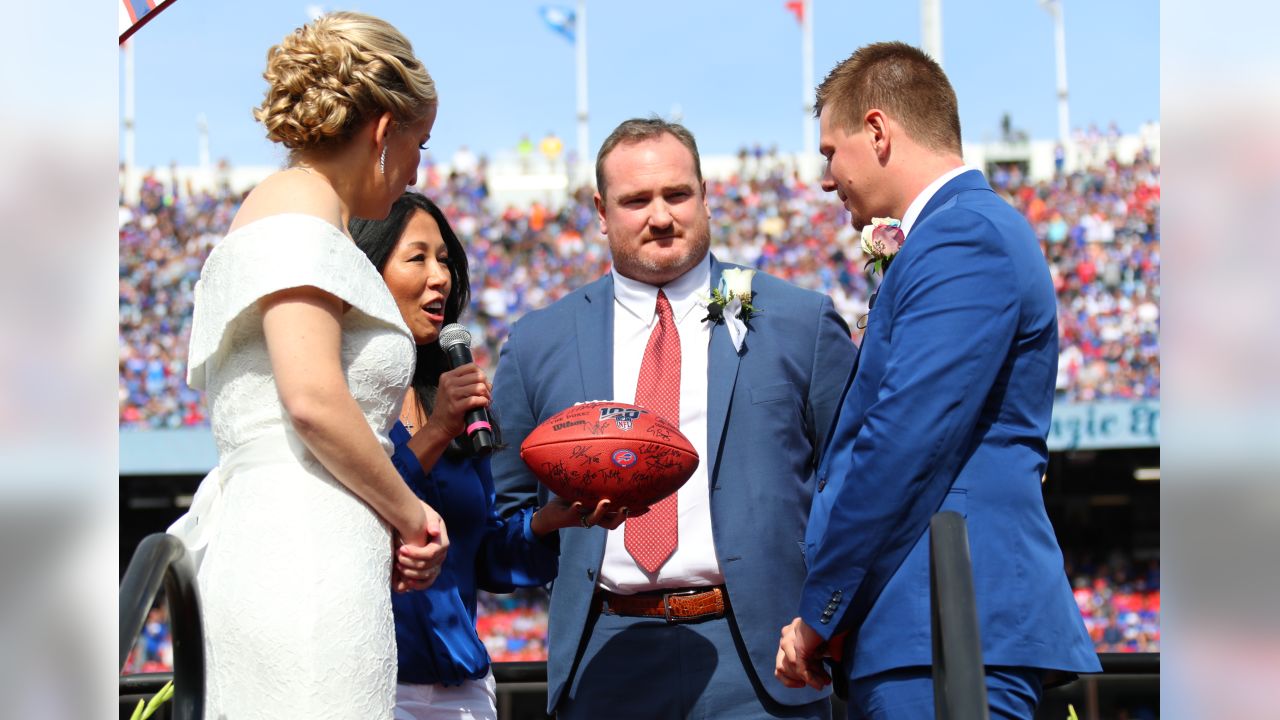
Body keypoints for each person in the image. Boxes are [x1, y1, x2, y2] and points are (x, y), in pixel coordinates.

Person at [775, 42, 1101, 719]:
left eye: (830, 153)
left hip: (946, 621)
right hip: (923, 623)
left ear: (877, 132)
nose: (827, 180)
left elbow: (902, 441)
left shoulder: (962, 238)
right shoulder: (954, 236)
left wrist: (820, 610)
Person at [491, 117, 856, 719]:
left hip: (761, 661)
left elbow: (850, 490)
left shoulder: (799, 322)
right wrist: (551, 523)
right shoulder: (537, 344)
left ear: (706, 196)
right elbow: (504, 524)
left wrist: (824, 622)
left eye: (677, 195)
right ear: (601, 212)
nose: (660, 216)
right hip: (604, 657)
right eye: (636, 200)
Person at [177, 12, 448, 718]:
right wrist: (411, 512)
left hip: (299, 545)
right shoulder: (299, 208)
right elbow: (312, 398)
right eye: (420, 144)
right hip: (302, 557)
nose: (420, 169)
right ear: (384, 130)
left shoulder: (294, 210)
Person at [350, 192, 613, 720]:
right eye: (418, 257)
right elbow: (353, 522)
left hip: (465, 691)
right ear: (367, 269)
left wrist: (546, 523)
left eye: (445, 260)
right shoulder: (340, 397)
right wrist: (434, 434)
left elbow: (486, 555)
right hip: (369, 686)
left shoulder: (455, 398)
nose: (440, 277)